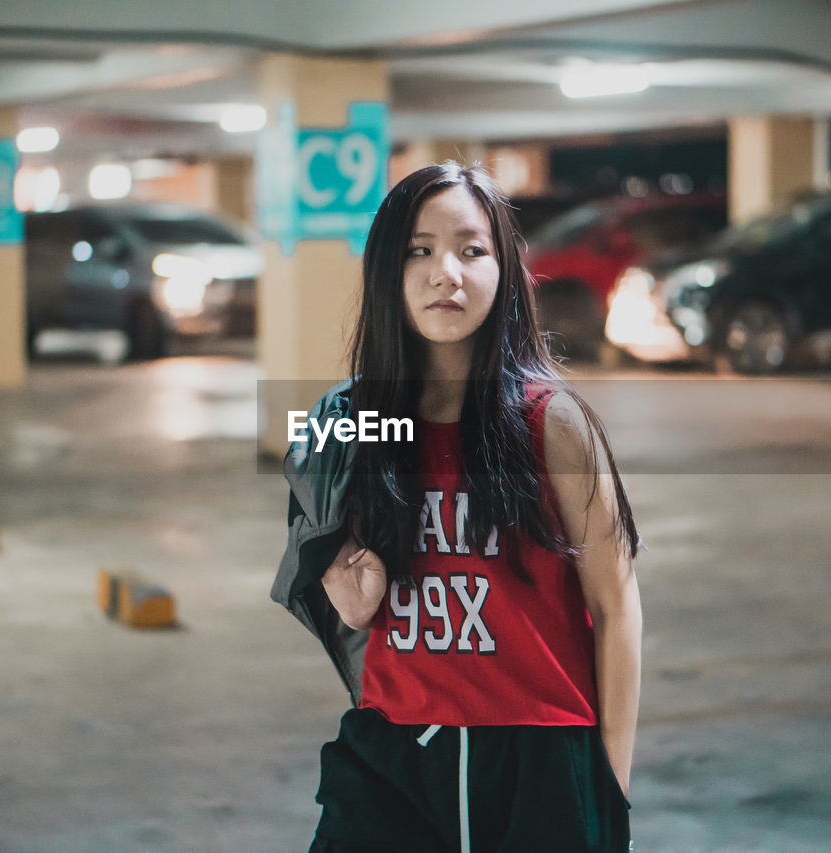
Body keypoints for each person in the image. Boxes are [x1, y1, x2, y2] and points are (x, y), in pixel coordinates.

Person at [273, 162, 641, 852]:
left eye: (472, 250)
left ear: (504, 271)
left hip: (534, 755)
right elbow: (329, 582)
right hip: (393, 752)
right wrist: (347, 586)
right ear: (388, 269)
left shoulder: (552, 421)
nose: (449, 272)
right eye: (421, 250)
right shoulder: (348, 422)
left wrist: (609, 785)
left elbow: (618, 609)